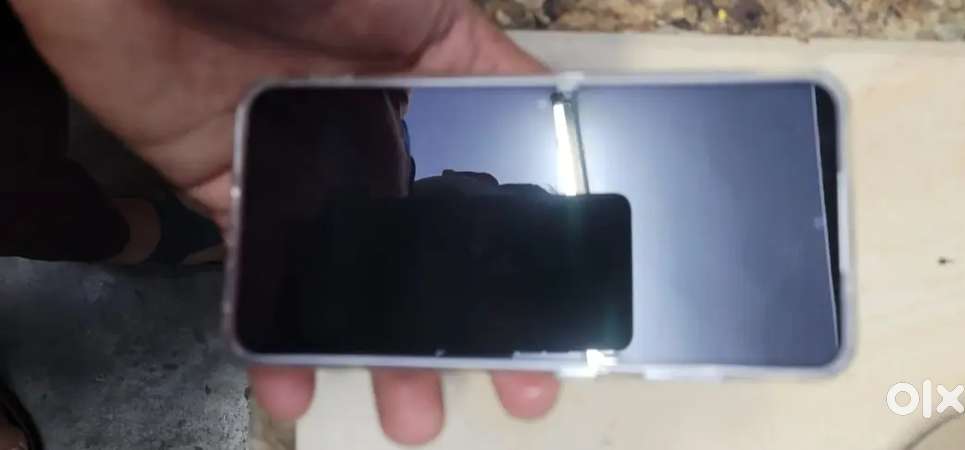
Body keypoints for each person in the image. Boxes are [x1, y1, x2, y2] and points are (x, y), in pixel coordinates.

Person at [3, 0, 559, 446]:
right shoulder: (382, 139)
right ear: (474, 176)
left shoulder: (368, 201)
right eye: (500, 218)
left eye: (498, 255)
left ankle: (137, 234)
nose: (479, 239)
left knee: (66, 217)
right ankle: (141, 234)